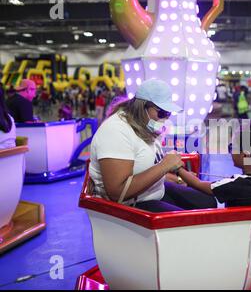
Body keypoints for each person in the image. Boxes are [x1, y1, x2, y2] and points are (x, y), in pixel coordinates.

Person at [89, 79, 217, 212]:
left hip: (152, 191)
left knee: (208, 202)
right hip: (129, 205)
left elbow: (144, 168)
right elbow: (117, 193)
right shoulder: (116, 131)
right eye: (162, 113)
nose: (166, 118)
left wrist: (177, 178)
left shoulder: (143, 125)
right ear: (142, 106)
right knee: (187, 222)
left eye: (168, 113)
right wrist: (165, 165)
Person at [176, 122, 251, 207]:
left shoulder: (237, 184)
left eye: (232, 147)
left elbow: (199, 184)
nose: (230, 151)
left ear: (245, 155)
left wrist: (177, 167)